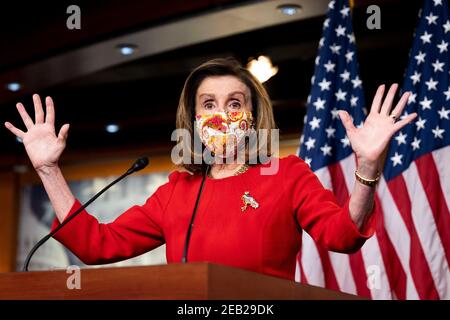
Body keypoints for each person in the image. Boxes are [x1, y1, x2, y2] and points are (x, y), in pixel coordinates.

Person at [4, 58, 417, 280]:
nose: (223, 115)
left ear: (253, 118)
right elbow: (96, 246)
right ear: (194, 120)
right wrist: (47, 170)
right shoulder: (176, 191)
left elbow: (343, 236)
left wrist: (367, 167)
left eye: (235, 104)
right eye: (209, 105)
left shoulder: (287, 174)